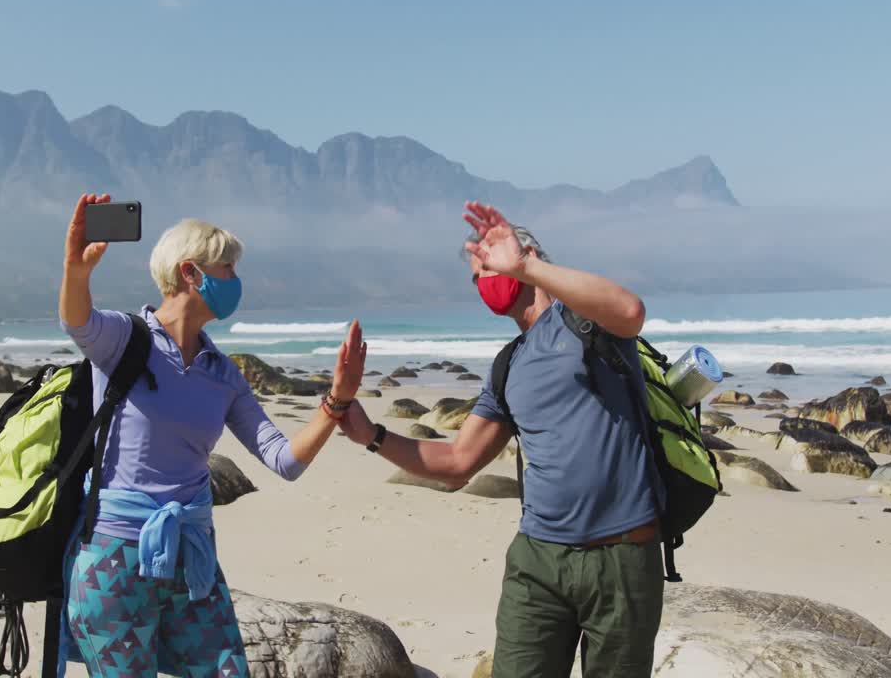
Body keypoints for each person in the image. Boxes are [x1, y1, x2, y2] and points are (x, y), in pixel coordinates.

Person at [339, 202, 662, 678]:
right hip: (538, 559)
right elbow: (456, 461)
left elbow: (632, 311)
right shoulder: (508, 365)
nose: (483, 282)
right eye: (476, 278)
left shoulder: (588, 324)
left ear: (524, 254)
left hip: (621, 558)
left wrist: (528, 267)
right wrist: (371, 435)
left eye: (487, 266)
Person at [58, 193, 367, 677]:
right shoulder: (125, 338)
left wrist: (336, 401)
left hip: (191, 556)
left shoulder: (222, 373)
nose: (236, 281)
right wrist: (76, 269)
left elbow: (284, 460)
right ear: (190, 273)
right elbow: (77, 320)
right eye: (228, 268)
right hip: (114, 559)